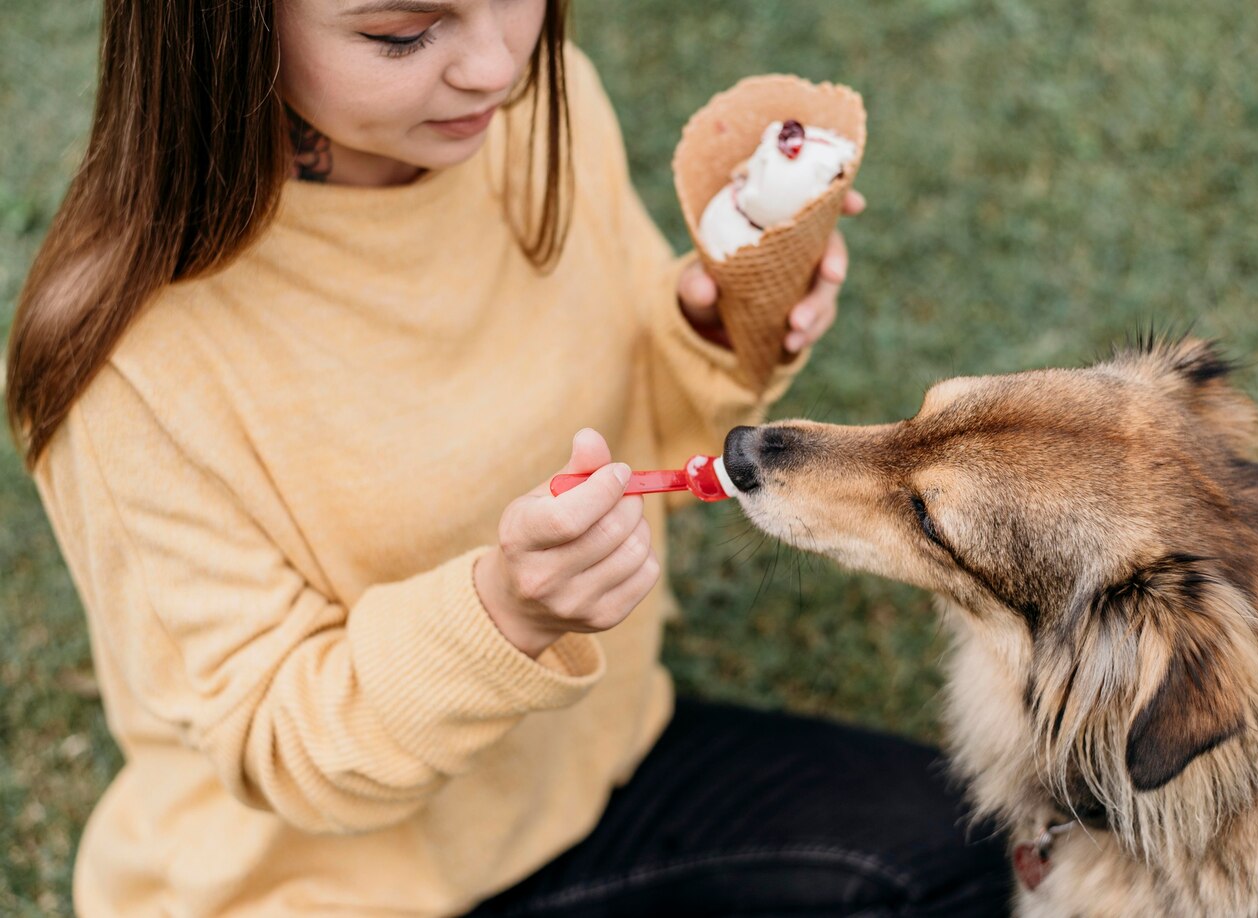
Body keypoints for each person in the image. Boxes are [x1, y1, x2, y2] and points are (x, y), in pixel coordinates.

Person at [5, 0, 1012, 915]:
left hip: (596, 780)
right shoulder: (127, 360)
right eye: (402, 34)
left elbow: (634, 412)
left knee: (969, 856)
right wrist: (504, 616)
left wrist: (710, 326)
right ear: (222, 31)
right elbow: (276, 745)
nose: (494, 66)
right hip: (321, 888)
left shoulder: (538, 111)